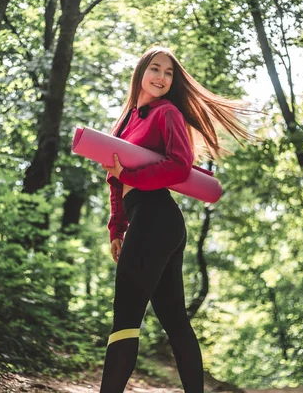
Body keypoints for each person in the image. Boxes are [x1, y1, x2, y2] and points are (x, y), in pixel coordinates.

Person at [100, 46, 252, 393]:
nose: (162, 78)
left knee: (125, 320)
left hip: (156, 218)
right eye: (155, 69)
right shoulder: (126, 121)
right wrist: (117, 227)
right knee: (176, 322)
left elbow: (179, 165)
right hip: (150, 221)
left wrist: (133, 178)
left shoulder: (166, 113)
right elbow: (115, 178)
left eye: (169, 73)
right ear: (140, 72)